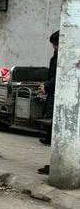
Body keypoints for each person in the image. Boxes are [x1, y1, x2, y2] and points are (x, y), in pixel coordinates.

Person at [37, 30, 59, 175]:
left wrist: (47, 85)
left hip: (55, 96)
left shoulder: (62, 57)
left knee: (54, 131)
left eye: (55, 44)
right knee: (52, 131)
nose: (54, 47)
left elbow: (57, 77)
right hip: (53, 94)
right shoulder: (58, 56)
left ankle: (55, 166)